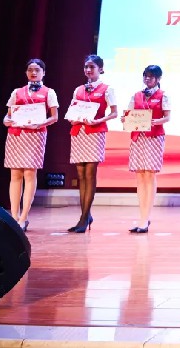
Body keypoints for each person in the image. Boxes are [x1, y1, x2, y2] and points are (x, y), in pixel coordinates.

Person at [3, 58, 59, 231]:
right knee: (15, 175)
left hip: (35, 135)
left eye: (37, 70)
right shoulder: (17, 92)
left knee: (29, 173)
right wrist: (6, 120)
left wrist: (41, 123)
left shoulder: (49, 92)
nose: (33, 73)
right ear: (26, 72)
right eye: (30, 70)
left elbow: (54, 117)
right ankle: (14, 216)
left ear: (43, 72)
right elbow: (8, 115)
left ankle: (24, 217)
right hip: (16, 135)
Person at [67, 54, 118, 233]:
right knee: (81, 174)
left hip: (95, 132)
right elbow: (72, 110)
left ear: (100, 69)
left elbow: (114, 113)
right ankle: (85, 215)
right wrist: (72, 118)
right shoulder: (79, 89)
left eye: (92, 67)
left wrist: (98, 120)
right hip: (79, 132)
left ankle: (84, 218)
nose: (88, 70)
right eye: (86, 67)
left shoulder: (107, 89)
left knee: (90, 173)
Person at [121, 65, 170, 234]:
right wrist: (125, 119)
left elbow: (167, 117)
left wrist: (155, 122)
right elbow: (129, 114)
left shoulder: (163, 95)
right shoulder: (136, 95)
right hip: (138, 137)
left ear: (158, 79)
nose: (147, 78)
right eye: (145, 76)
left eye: (151, 76)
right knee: (140, 175)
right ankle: (142, 217)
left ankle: (146, 218)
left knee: (149, 174)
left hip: (154, 137)